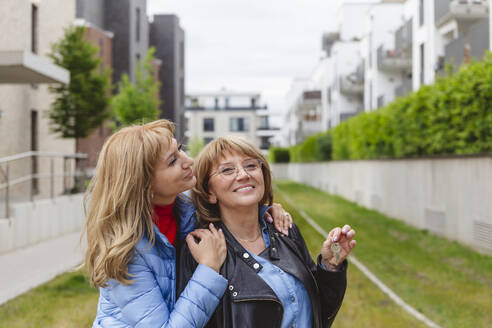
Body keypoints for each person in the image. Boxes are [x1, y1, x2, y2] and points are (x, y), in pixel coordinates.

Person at [83, 120, 292, 328]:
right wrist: (209, 268)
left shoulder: (185, 207)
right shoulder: (125, 252)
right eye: (173, 161)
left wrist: (264, 211)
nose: (189, 160)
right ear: (144, 184)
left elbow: (229, 199)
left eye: (180, 149)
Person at [178, 136, 357, 328]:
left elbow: (319, 312)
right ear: (209, 192)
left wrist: (330, 265)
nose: (243, 174)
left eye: (251, 166)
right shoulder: (201, 250)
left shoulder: (286, 231)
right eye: (228, 170)